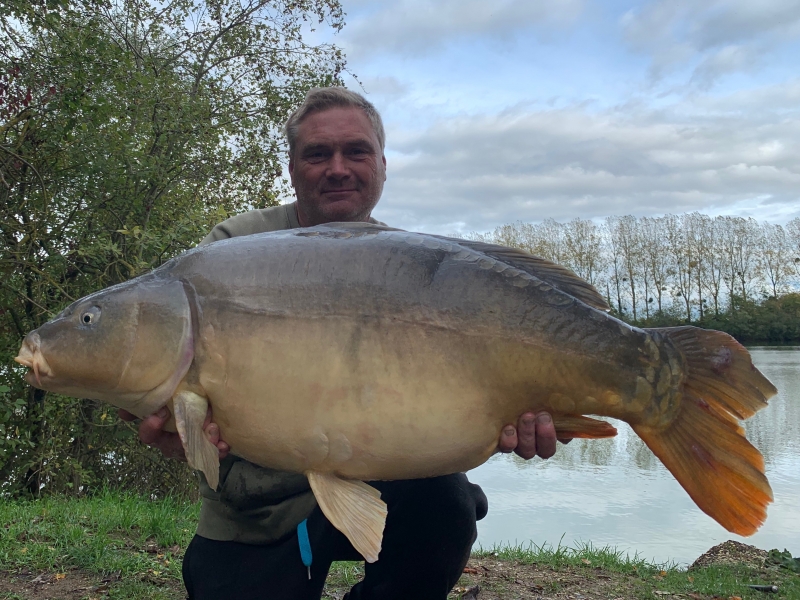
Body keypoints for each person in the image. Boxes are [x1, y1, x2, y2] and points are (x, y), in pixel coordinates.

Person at [121, 87, 569, 599]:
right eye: (317, 153)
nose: (338, 168)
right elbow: (149, 368)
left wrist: (528, 414)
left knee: (447, 503)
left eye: (355, 151)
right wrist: (155, 421)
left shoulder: (409, 264)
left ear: (382, 164)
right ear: (292, 167)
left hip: (379, 474)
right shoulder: (232, 250)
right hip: (259, 503)